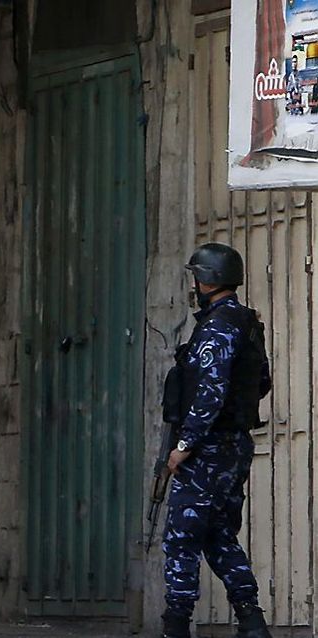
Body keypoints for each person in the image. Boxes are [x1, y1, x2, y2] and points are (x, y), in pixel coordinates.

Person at [161, 243, 272, 638]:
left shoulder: (219, 325)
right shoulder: (247, 323)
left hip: (207, 450)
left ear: (206, 279)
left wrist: (184, 446)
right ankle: (252, 620)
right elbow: (261, 382)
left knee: (182, 537)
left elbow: (210, 392)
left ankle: (175, 625)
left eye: (196, 276)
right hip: (235, 446)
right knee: (218, 534)